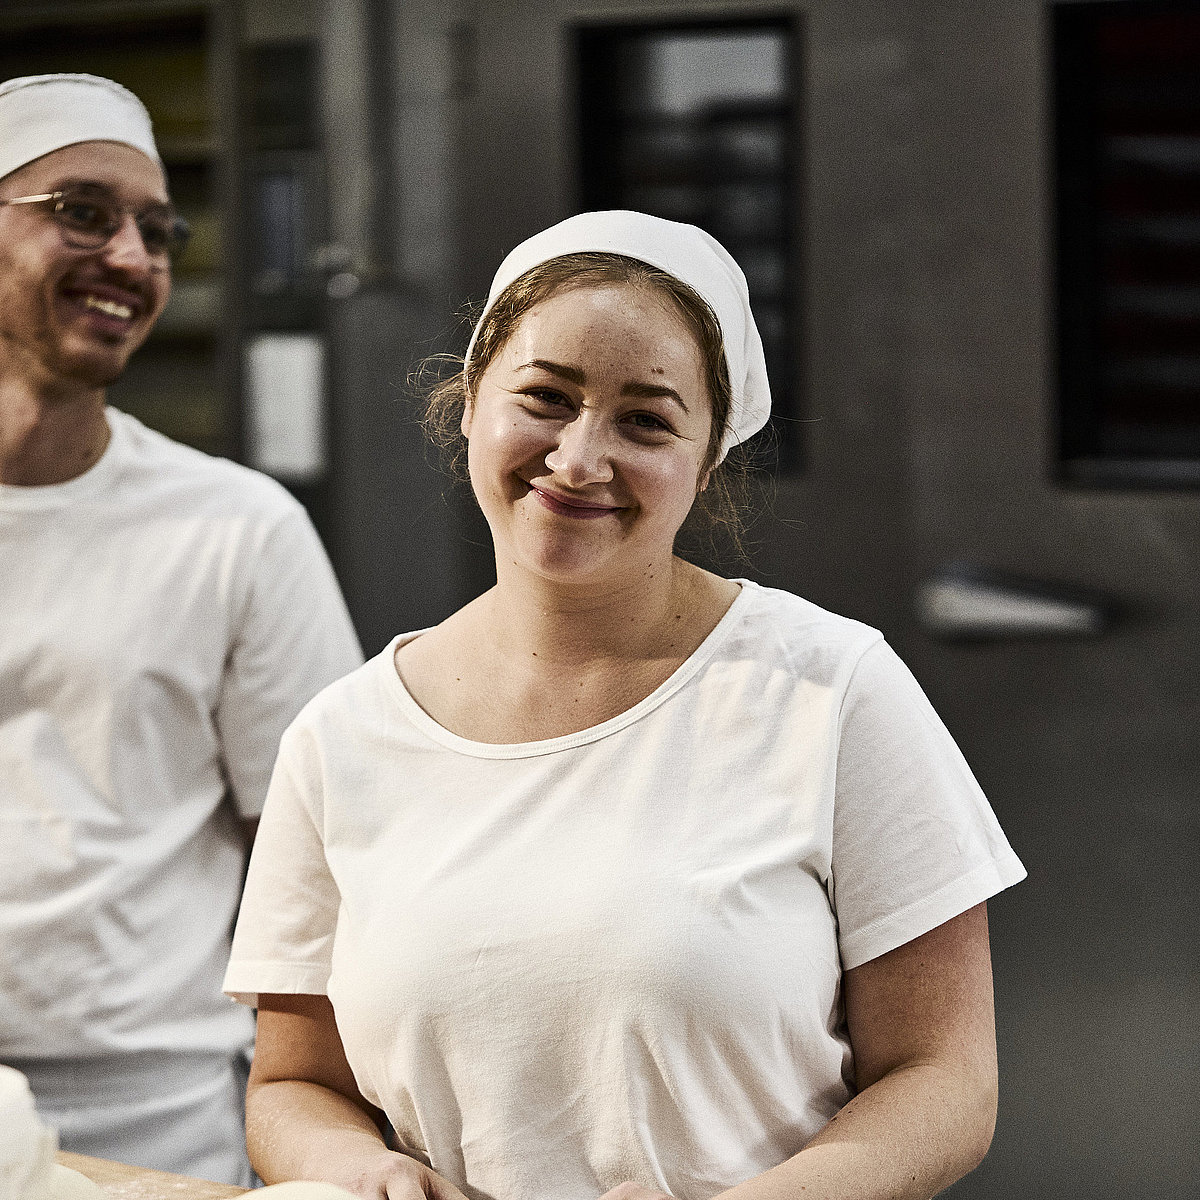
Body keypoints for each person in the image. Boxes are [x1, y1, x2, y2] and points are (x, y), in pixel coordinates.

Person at [223, 210, 1026, 1200]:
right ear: (472, 404)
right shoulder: (345, 736)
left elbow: (945, 1081)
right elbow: (295, 1084)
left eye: (644, 419)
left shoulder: (829, 691)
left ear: (709, 456)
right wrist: (367, 1173)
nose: (578, 457)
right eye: (546, 399)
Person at [0, 73, 363, 1185]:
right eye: (83, 210)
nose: (132, 258)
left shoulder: (236, 530)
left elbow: (330, 859)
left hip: (149, 1109)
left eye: (158, 232)